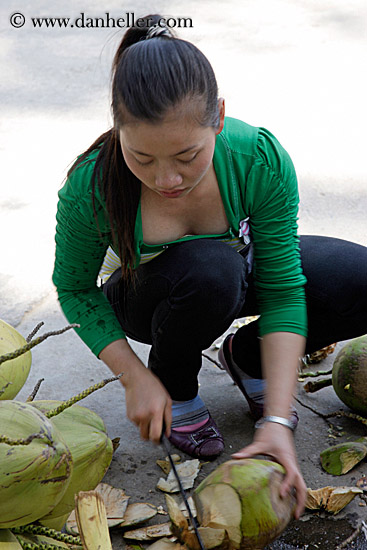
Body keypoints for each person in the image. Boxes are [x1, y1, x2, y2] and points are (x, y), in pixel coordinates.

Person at [53, 14, 367, 520]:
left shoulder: (257, 159)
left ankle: (249, 359)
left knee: (359, 280)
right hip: (148, 295)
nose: (166, 178)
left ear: (218, 117)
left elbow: (285, 287)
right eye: (142, 157)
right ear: (118, 131)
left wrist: (280, 422)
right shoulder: (91, 186)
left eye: (187, 154)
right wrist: (134, 376)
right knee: (211, 270)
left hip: (234, 270)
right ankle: (175, 384)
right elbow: (73, 289)